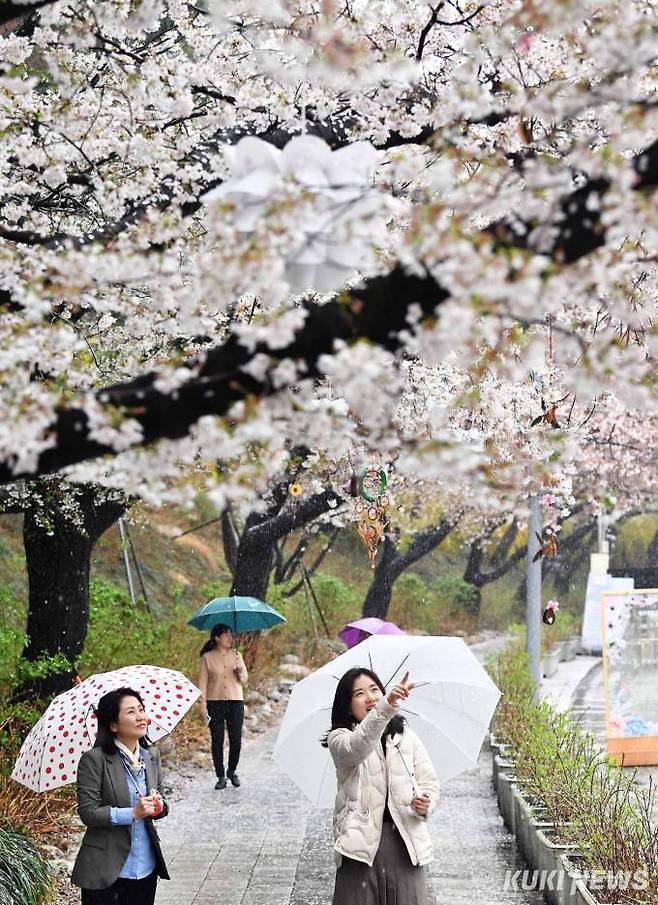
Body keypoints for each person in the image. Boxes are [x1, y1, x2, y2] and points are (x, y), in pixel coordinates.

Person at [322, 667, 439, 905]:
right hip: (360, 848)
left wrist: (425, 802)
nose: (371, 697)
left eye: (375, 690)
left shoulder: (406, 737)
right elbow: (359, 746)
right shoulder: (341, 739)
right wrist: (385, 708)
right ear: (347, 705)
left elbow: (429, 782)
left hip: (405, 844)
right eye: (360, 693)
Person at [71, 687, 170, 905]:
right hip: (105, 869)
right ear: (113, 724)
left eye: (141, 710)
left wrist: (159, 807)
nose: (141, 716)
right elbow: (88, 813)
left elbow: (162, 803)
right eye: (131, 712)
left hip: (145, 866)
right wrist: (132, 813)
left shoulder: (151, 755)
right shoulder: (93, 760)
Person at [198, 622, 249, 789]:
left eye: (231, 635)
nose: (230, 638)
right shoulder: (207, 658)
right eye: (226, 635)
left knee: (236, 739)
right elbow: (202, 683)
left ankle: (232, 771)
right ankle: (220, 775)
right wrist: (202, 704)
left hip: (235, 702)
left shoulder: (236, 655)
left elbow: (245, 680)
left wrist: (239, 670)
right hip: (215, 703)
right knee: (217, 740)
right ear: (217, 637)